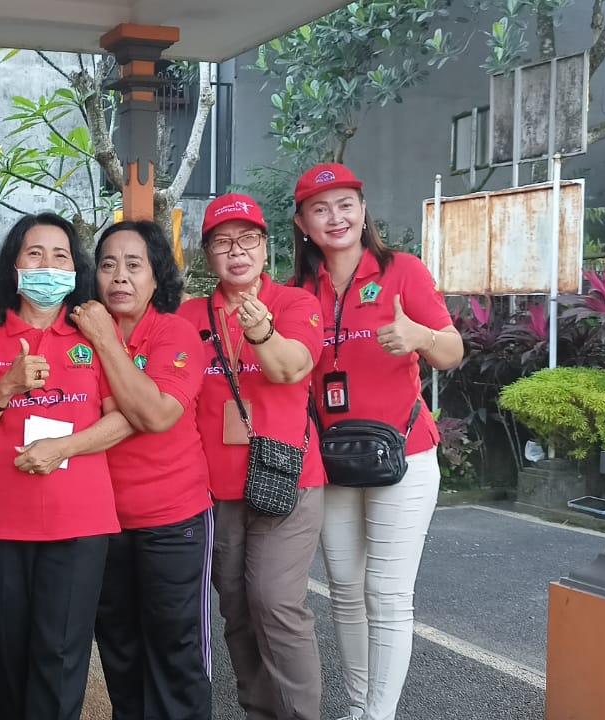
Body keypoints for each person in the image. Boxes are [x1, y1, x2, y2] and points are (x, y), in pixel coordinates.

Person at [288, 164, 463, 720]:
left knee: (386, 594)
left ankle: (379, 715)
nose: (335, 217)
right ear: (302, 223)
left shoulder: (402, 272)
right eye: (320, 209)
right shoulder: (297, 292)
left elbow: (452, 351)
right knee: (344, 588)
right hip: (333, 459)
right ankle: (359, 706)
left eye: (346, 205)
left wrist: (421, 336)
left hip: (403, 457)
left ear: (364, 212)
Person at [0, 212, 130, 720]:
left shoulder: (95, 336)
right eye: (35, 253)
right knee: (11, 658)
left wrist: (63, 448)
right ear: (15, 266)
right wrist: (4, 388)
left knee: (62, 659)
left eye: (60, 256)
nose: (48, 264)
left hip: (79, 523)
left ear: (75, 270)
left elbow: (124, 419)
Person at [177, 193, 326, 720]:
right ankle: (260, 711)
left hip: (288, 476)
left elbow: (290, 368)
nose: (236, 251)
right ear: (207, 255)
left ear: (266, 248)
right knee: (237, 607)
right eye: (222, 242)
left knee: (275, 602)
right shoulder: (190, 316)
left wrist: (261, 330)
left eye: (247, 240)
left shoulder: (295, 304)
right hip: (217, 487)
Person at [73, 220, 213, 720]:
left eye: (134, 265)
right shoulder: (76, 335)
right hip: (101, 521)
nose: (120, 277)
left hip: (171, 520)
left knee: (175, 649)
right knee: (119, 648)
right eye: (108, 264)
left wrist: (105, 340)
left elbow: (155, 415)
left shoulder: (175, 333)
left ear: (157, 276)